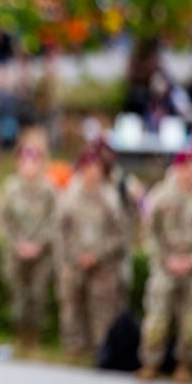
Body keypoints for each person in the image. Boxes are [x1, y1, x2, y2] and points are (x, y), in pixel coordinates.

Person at [137, 151, 192, 383]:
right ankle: (150, 361)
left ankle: (185, 364)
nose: (189, 172)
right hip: (165, 265)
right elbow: (149, 232)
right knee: (156, 315)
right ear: (176, 169)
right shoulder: (161, 195)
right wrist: (165, 259)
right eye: (184, 167)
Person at [54, 147, 126, 360]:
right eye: (87, 167)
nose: (91, 171)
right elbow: (60, 229)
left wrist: (97, 254)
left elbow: (119, 233)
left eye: (96, 167)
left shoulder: (110, 197)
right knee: (71, 305)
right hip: (73, 260)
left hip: (103, 263)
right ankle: (73, 347)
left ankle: (101, 349)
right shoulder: (69, 195)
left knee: (102, 309)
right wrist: (75, 254)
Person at [0, 128, 58, 351]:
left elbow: (54, 221)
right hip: (16, 252)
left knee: (38, 295)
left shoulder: (49, 190)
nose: (29, 166)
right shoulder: (10, 188)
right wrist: (19, 244)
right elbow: (4, 220)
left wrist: (38, 244)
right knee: (18, 295)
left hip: (41, 253)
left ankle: (35, 337)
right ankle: (19, 334)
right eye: (24, 160)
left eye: (33, 161)